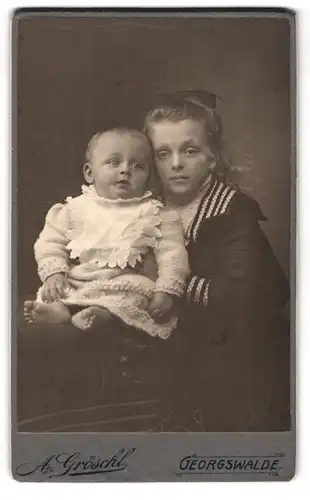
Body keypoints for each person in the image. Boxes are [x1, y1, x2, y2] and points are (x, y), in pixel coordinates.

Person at [143, 89, 291, 431]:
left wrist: (176, 285)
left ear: (212, 158)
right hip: (174, 349)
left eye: (190, 151)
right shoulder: (149, 210)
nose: (176, 164)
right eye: (163, 154)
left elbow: (253, 296)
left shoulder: (232, 210)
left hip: (240, 355)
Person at [24, 127, 189, 340]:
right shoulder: (72, 210)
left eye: (137, 166)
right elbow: (50, 243)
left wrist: (167, 291)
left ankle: (104, 315)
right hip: (80, 280)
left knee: (135, 297)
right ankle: (61, 312)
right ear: (89, 173)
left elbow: (173, 255)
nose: (125, 170)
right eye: (114, 162)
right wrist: (55, 273)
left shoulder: (158, 214)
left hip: (127, 284)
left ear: (148, 176)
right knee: (58, 292)